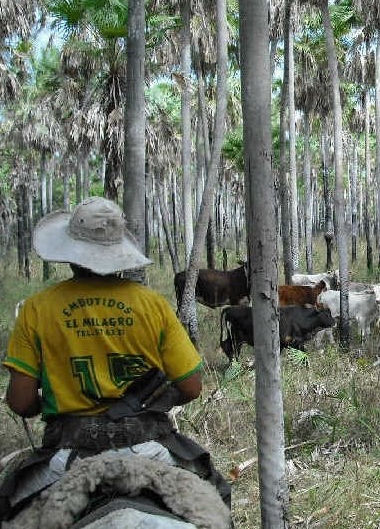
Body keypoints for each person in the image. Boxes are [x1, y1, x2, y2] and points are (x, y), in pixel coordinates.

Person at [0, 197, 230, 520]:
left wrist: (46, 401)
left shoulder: (38, 308)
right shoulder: (152, 305)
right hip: (149, 446)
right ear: (118, 253)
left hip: (68, 453)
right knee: (218, 495)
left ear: (70, 253)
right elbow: (191, 387)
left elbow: (20, 401)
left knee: (10, 504)